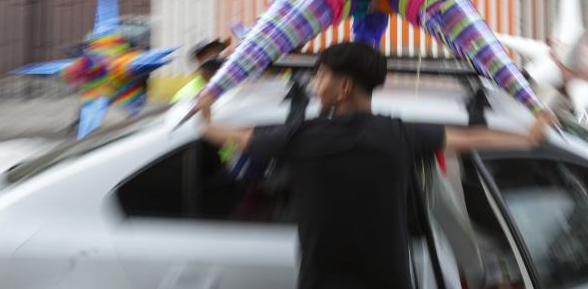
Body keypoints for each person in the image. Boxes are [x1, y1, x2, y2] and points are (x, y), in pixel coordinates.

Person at [199, 41, 551, 289]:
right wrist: (528, 137)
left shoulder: (301, 137)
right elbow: (472, 139)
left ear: (344, 86)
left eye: (321, 76)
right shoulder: (399, 134)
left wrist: (207, 110)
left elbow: (228, 136)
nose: (316, 83)